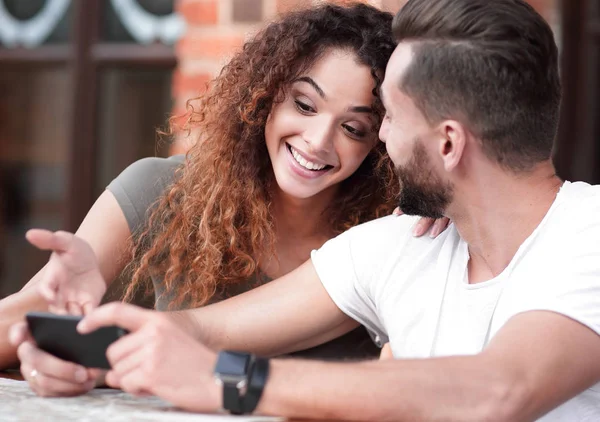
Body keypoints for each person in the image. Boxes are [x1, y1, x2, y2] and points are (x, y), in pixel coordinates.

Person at [17, 0, 599, 420]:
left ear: (447, 144)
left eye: (381, 120)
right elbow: (198, 329)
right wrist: (84, 343)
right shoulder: (402, 247)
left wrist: (232, 383)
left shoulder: (587, 234)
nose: (381, 146)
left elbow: (499, 392)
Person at [0, 3, 448, 377]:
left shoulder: (396, 232)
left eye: (353, 127)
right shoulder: (161, 190)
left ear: (381, 141)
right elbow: (26, 318)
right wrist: (56, 339)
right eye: (304, 104)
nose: (318, 141)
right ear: (266, 92)